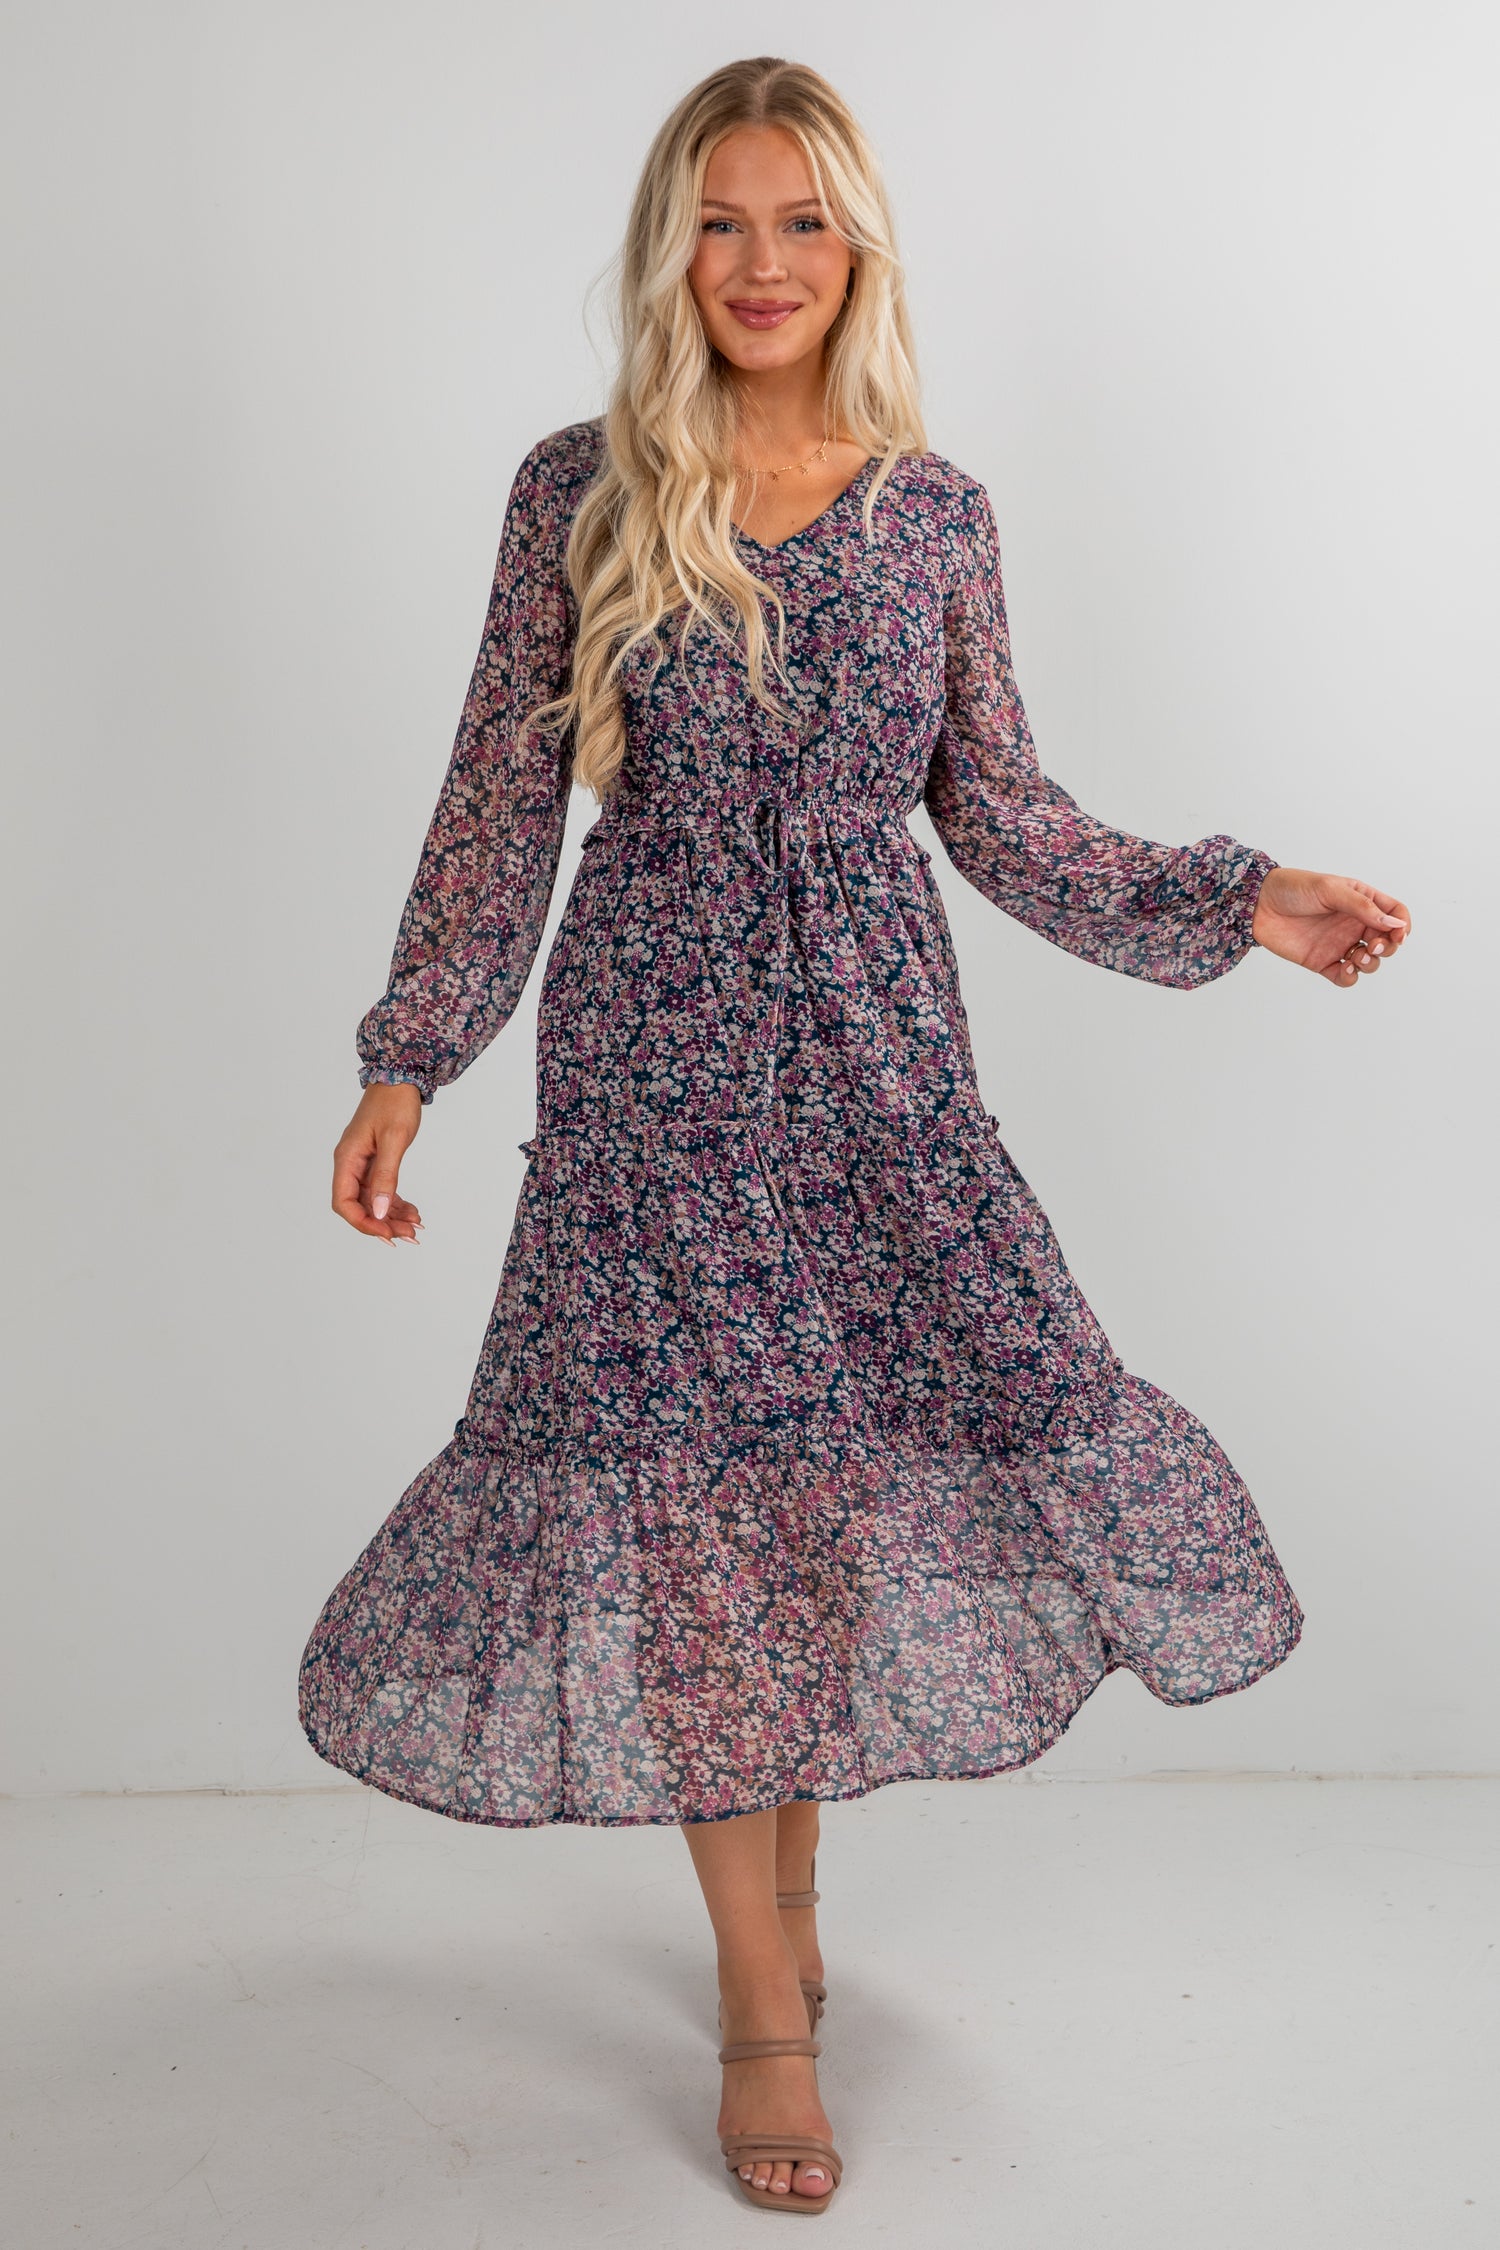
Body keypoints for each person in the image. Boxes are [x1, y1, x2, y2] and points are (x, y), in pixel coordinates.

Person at [298, 56, 1411, 2216]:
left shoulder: (936, 513)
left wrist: (1239, 898)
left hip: (880, 1068)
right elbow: (499, 794)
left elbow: (1002, 813)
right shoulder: (578, 491)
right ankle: (763, 1997)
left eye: (801, 221)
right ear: (671, 250)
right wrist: (410, 1055)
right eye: (721, 222)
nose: (762, 264)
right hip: (651, 1072)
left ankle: (784, 1913)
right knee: (696, 1512)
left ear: (858, 248)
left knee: (822, 1497)